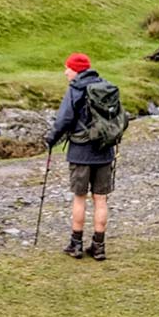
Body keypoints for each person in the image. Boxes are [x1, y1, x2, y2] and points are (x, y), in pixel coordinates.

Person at [45, 53, 116, 261]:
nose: (65, 71)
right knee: (101, 199)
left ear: (76, 69)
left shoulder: (75, 89)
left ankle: (76, 245)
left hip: (80, 152)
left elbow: (63, 119)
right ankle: (99, 246)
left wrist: (50, 139)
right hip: (104, 151)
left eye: (67, 68)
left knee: (79, 198)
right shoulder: (106, 87)